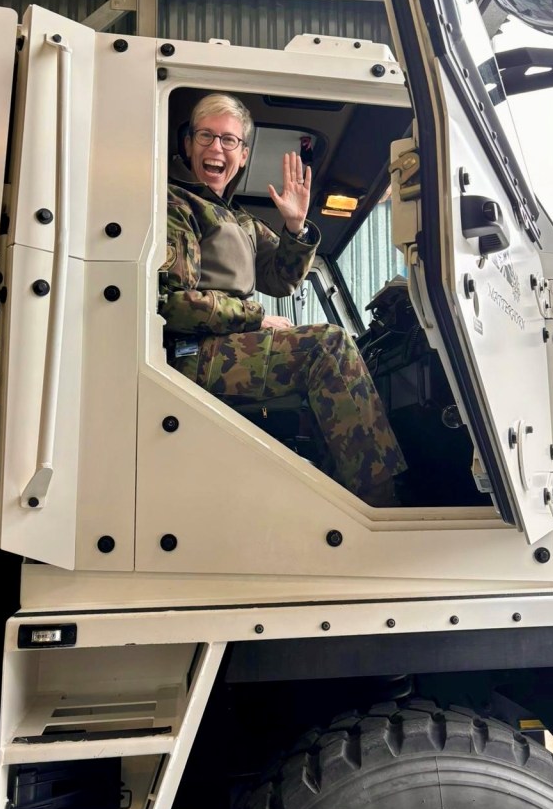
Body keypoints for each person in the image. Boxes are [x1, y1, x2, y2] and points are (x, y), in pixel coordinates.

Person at [160, 92, 408, 505]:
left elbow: (282, 279)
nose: (216, 148)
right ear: (188, 144)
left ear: (242, 155)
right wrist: (256, 319)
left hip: (222, 349)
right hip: (191, 353)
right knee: (327, 345)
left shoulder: (239, 219)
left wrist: (296, 227)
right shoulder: (177, 203)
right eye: (206, 136)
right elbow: (174, 304)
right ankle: (380, 501)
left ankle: (339, 500)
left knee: (327, 364)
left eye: (229, 140)